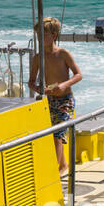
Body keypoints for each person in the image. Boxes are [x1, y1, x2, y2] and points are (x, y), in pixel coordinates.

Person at [29, 16, 83, 176]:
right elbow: (31, 82)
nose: (40, 38)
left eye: (44, 35)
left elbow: (78, 75)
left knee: (58, 134)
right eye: (39, 35)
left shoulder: (63, 53)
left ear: (54, 35)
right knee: (51, 133)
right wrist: (39, 89)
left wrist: (64, 85)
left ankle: (56, 170)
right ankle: (64, 164)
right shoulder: (38, 58)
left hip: (65, 99)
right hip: (50, 100)